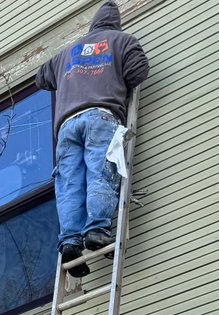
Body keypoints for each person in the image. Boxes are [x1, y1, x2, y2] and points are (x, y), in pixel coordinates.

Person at [36, 3, 149, 277]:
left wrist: (75, 71)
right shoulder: (122, 41)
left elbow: (41, 78)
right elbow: (139, 73)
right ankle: (97, 230)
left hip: (66, 126)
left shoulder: (67, 53)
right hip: (100, 116)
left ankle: (71, 242)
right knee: (101, 171)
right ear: (116, 24)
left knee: (69, 183)